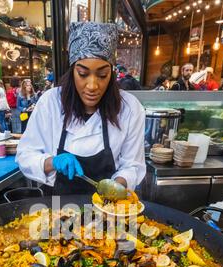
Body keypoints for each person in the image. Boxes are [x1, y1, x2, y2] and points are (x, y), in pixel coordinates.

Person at [17, 22, 146, 195]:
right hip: (57, 210)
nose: (92, 86)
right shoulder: (50, 103)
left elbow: (133, 166)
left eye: (102, 75)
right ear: (72, 72)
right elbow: (25, 156)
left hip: (107, 209)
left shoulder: (129, 108)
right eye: (83, 74)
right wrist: (52, 162)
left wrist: (115, 187)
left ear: (112, 73)